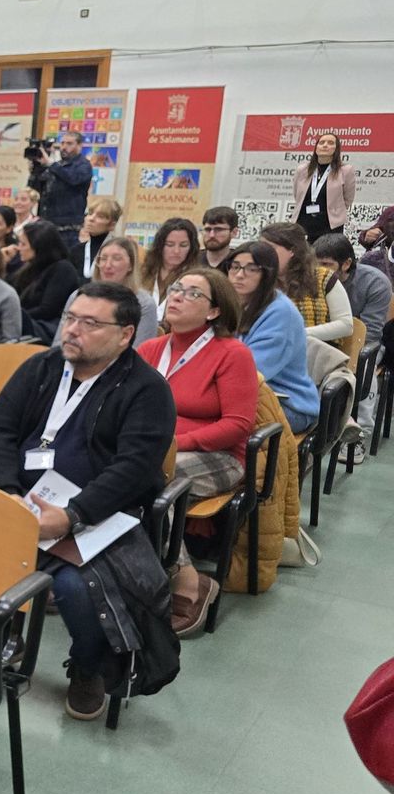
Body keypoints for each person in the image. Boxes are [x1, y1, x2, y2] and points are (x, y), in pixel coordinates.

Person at [0, 282, 178, 721]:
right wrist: (9, 492)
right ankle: (1, 642)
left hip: (97, 514)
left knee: (77, 589)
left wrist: (72, 516)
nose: (72, 330)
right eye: (71, 318)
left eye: (90, 324)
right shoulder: (42, 368)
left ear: (125, 335)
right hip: (21, 502)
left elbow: (134, 469)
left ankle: (88, 666)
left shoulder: (146, 390)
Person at [137, 268, 257, 635]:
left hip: (218, 458)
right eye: (175, 288)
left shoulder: (231, 354)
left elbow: (238, 425)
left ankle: (190, 580)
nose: (176, 296)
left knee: (153, 484)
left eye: (192, 294)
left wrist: (173, 446)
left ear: (214, 311)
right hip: (151, 454)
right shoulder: (149, 349)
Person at [228, 241, 320, 434]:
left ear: (267, 274)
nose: (239, 274)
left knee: (220, 425)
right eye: (235, 267)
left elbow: (251, 373)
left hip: (288, 404)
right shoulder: (230, 304)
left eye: (251, 269)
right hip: (246, 395)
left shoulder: (281, 312)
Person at [53, 237, 162, 346]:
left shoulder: (144, 304)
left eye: (117, 259)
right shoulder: (79, 296)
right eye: (103, 259)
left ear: (130, 266)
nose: (108, 265)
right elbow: (59, 342)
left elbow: (140, 351)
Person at [260, 221, 352, 347]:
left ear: (292, 251)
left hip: (318, 351)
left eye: (270, 248)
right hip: (271, 349)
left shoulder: (323, 277)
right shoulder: (259, 279)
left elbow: (345, 325)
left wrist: (298, 333)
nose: (263, 253)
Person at [315, 232, 391, 353]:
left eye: (325, 264)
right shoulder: (309, 279)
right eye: (314, 264)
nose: (318, 270)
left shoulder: (375, 283)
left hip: (362, 348)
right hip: (320, 343)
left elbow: (369, 333)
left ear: (346, 264)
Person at [13, 219, 82, 340]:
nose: (19, 248)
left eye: (23, 244)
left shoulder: (63, 269)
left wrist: (13, 316)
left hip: (47, 329)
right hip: (27, 323)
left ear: (38, 247)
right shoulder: (29, 267)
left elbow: (47, 310)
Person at [293, 132, 357, 241]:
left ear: (336, 149)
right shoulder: (302, 169)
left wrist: (335, 210)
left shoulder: (345, 170)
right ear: (316, 148)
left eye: (330, 143)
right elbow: (297, 195)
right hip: (304, 223)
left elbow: (348, 199)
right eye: (321, 142)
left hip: (330, 225)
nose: (325, 145)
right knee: (303, 257)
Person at [36, 130, 94, 229]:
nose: (64, 147)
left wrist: (51, 164)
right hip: (47, 219)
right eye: (62, 143)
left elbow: (74, 179)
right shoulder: (58, 165)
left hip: (68, 224)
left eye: (69, 143)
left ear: (79, 146)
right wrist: (36, 168)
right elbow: (38, 187)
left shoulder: (84, 165)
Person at [140, 216, 198, 314]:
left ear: (191, 247)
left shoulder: (196, 277)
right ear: (160, 245)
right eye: (170, 244)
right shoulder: (143, 271)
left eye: (183, 245)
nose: (176, 251)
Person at [69, 197, 121, 278]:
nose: (91, 219)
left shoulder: (118, 253)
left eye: (100, 216)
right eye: (90, 213)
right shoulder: (76, 251)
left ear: (112, 225)